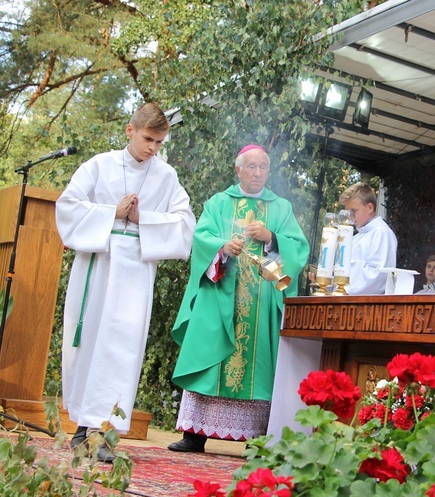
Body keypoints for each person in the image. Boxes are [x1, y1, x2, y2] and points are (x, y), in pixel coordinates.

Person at [55, 102, 196, 462]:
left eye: (160, 142)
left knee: (121, 351)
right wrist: (110, 213)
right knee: (87, 344)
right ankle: (81, 430)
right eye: (148, 138)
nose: (153, 148)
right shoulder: (98, 165)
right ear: (129, 131)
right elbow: (67, 207)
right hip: (97, 268)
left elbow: (185, 224)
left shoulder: (166, 176)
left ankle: (104, 435)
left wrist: (143, 218)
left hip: (134, 274)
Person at [167, 144, 309, 453]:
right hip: (221, 295)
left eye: (263, 168)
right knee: (210, 356)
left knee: (258, 364)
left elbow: (298, 249)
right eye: (252, 167)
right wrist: (221, 248)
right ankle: (195, 433)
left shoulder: (280, 208)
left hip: (261, 298)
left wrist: (271, 237)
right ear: (238, 170)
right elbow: (202, 239)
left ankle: (256, 438)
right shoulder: (219, 203)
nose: (258, 173)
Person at [339, 182, 397, 295]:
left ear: (370, 207)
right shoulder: (355, 238)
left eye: (353, 211)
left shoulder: (382, 233)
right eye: (348, 212)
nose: (350, 217)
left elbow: (379, 276)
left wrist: (345, 287)